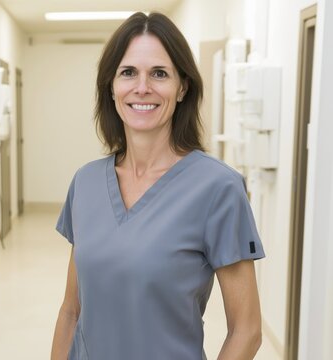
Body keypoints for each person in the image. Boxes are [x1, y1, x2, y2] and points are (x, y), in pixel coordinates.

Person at [50, 12, 265, 360]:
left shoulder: (218, 188)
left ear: (182, 88)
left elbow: (247, 330)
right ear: (111, 86)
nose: (142, 88)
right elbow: (71, 311)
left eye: (159, 74)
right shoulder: (86, 183)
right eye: (128, 72)